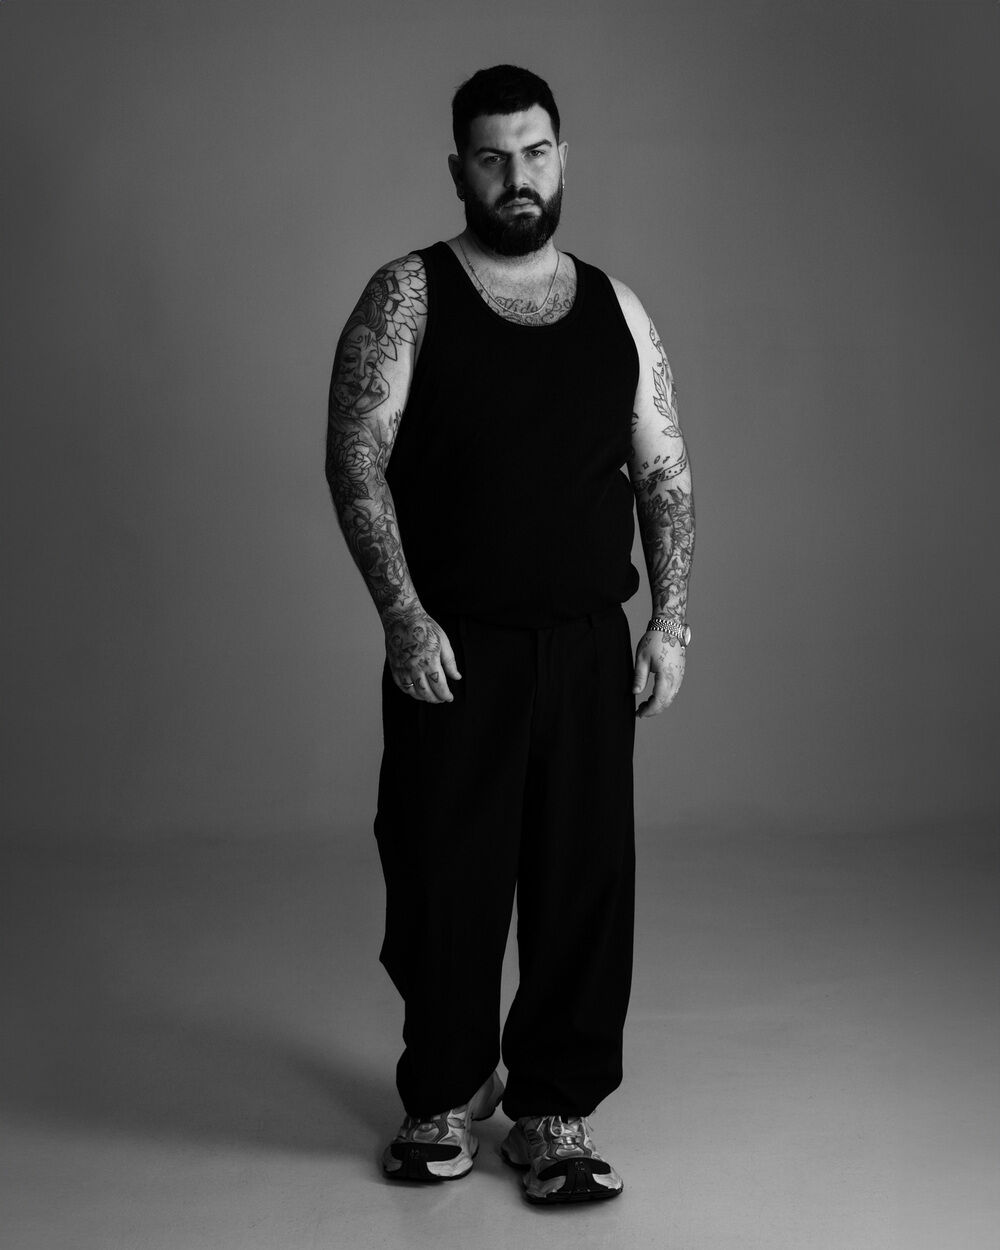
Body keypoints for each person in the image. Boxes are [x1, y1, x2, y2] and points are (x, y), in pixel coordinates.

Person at [325, 64, 694, 1206]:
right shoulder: (409, 295)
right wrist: (403, 616)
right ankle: (441, 1093)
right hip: (454, 650)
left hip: (586, 646)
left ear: (562, 157)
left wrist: (672, 618)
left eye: (534, 152)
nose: (516, 176)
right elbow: (355, 458)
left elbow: (663, 469)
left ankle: (552, 1114)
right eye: (492, 157)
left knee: (583, 884)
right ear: (459, 170)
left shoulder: (619, 308)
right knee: (443, 877)